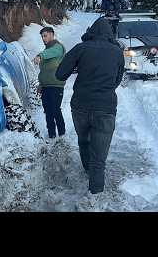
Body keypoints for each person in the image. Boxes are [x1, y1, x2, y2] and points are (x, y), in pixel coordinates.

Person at [55, 17, 124, 195]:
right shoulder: (117, 52)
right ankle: (96, 196)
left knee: (83, 140)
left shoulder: (81, 48)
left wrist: (78, 66)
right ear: (110, 33)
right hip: (106, 109)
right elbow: (117, 80)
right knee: (99, 159)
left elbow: (60, 74)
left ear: (91, 31)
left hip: (80, 106)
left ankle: (87, 170)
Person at [34, 26, 66, 139]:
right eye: (42, 36)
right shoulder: (45, 51)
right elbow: (44, 71)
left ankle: (62, 133)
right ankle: (51, 134)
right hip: (46, 87)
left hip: (56, 85)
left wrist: (40, 56)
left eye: (45, 35)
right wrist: (41, 84)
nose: (43, 38)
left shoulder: (58, 47)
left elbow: (51, 53)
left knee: (55, 109)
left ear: (52, 35)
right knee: (48, 111)